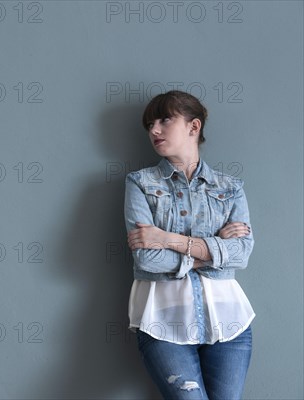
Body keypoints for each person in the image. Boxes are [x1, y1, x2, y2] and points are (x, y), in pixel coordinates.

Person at [124, 90, 255, 399]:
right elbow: (147, 258)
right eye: (149, 124)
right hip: (161, 324)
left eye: (164, 119)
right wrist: (215, 248)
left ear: (193, 127)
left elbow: (242, 254)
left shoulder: (229, 187)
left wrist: (168, 239)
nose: (153, 130)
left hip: (230, 325)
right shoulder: (141, 183)